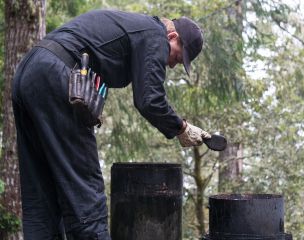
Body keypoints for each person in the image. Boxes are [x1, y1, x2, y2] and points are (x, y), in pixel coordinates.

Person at [12, 9, 211, 240]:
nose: (173, 65)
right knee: (85, 188)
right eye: (177, 57)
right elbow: (149, 99)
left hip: (29, 72)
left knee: (40, 191)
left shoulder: (133, 27)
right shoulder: (155, 34)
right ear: (172, 37)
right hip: (58, 74)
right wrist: (181, 128)